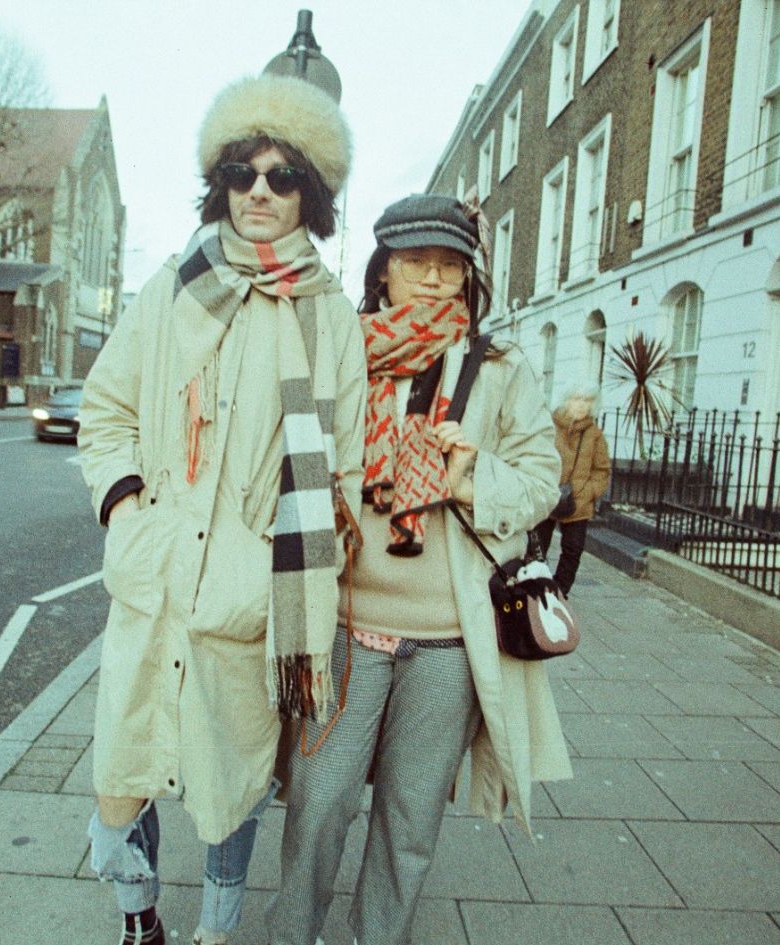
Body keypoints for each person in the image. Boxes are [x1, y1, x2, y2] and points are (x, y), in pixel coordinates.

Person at [78, 73, 364, 945]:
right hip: (155, 577)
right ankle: (139, 915)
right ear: (222, 183)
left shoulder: (328, 315)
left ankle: (216, 931)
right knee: (121, 777)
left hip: (247, 594)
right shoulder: (172, 287)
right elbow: (107, 409)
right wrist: (127, 509)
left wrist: (263, 555)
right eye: (244, 173)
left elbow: (342, 466)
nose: (261, 192)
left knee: (229, 788)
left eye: (283, 176)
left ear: (309, 194)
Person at [269, 194, 573, 945]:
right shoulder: (343, 354)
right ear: (384, 274)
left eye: (450, 266)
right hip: (344, 626)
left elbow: (543, 480)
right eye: (416, 265)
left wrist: (468, 476)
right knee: (319, 803)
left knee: (410, 820)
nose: (435, 281)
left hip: (447, 642)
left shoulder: (499, 369)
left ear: (470, 277)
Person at [534, 385, 612, 596]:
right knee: (537, 547)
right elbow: (535, 457)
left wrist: (586, 494)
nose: (581, 405)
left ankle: (559, 592)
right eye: (577, 398)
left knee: (573, 550)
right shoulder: (548, 425)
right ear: (566, 400)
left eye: (587, 400)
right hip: (547, 495)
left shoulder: (595, 435)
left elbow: (602, 470)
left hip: (578, 501)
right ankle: (537, 588)